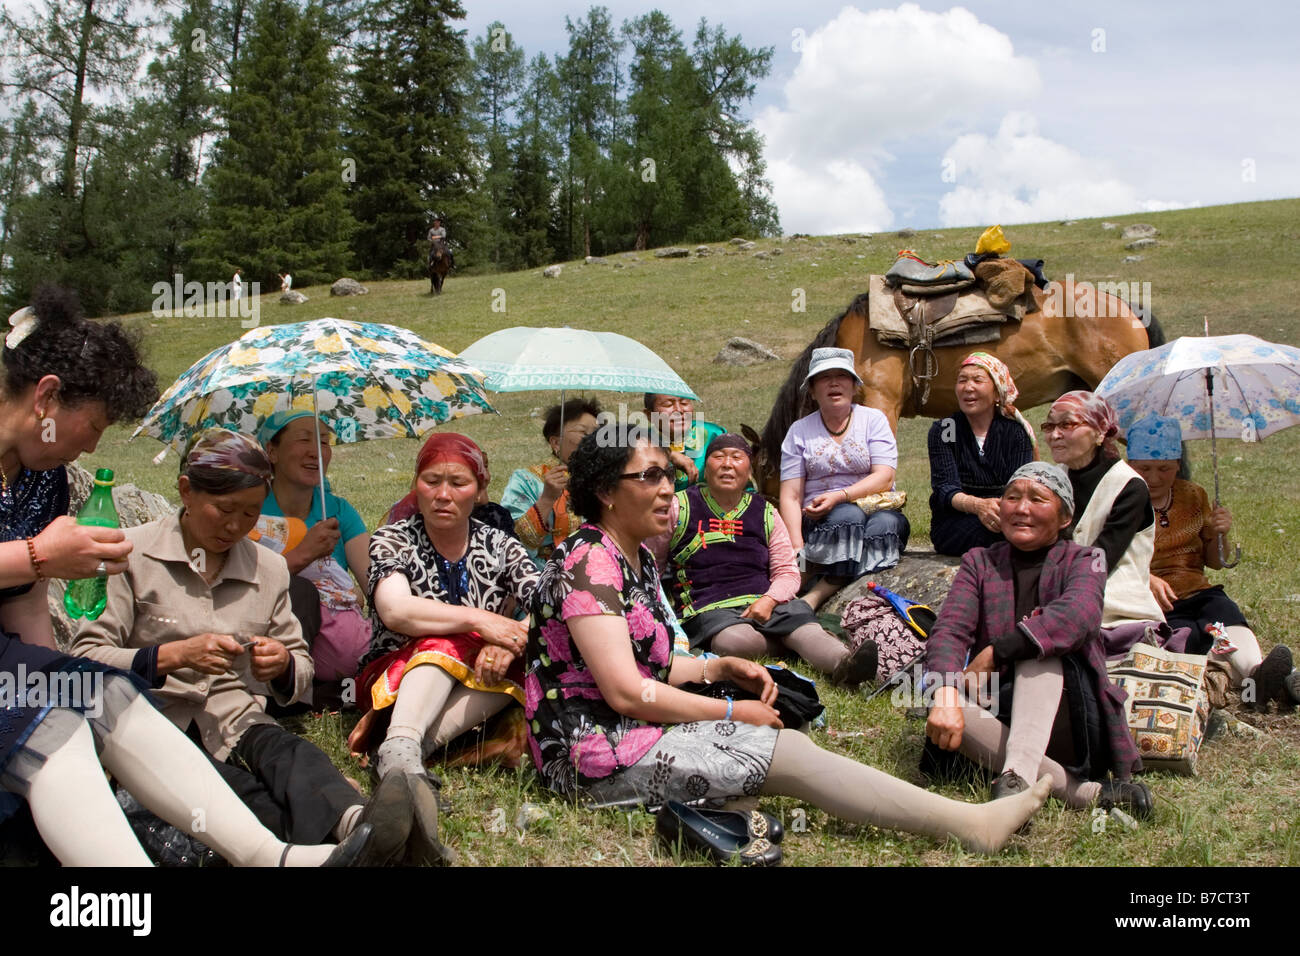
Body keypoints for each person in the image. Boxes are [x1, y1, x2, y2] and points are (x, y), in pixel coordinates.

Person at [524, 423, 1051, 855]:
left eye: (668, 473)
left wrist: (720, 670)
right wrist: (729, 713)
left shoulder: (629, 554)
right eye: (650, 476)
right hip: (593, 753)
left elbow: (654, 668)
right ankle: (970, 826)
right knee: (785, 753)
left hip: (632, 727)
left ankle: (721, 807)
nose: (668, 487)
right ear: (605, 492)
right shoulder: (590, 563)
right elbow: (623, 691)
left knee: (784, 741)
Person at [0, 288, 368, 866]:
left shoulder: (39, 480)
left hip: (225, 715)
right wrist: (38, 558)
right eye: (93, 425)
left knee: (94, 700)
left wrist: (54, 677)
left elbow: (26, 615)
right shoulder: (137, 550)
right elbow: (41, 578)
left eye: (251, 514)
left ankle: (302, 845)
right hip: (165, 712)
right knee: (74, 730)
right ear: (47, 396)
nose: (95, 445)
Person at [72, 429, 426, 866]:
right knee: (239, 795)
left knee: (293, 757)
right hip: (155, 726)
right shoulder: (132, 555)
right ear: (186, 490)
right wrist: (172, 656)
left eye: (251, 514)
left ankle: (361, 826)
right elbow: (85, 658)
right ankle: (348, 850)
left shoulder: (269, 568)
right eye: (224, 510)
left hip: (237, 720)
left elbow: (300, 668)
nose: (236, 526)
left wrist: (280, 665)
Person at [924, 462, 1153, 818]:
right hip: (999, 704)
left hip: (1072, 716)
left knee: (1039, 649)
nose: (1022, 508)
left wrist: (996, 652)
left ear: (1065, 518)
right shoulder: (979, 562)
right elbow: (950, 630)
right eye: (1012, 497)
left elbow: (1076, 617)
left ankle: (1016, 776)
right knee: (943, 692)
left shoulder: (1086, 559)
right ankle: (1079, 793)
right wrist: (946, 696)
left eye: (1037, 499)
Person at [355, 433, 538, 802]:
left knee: (524, 660)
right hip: (392, 680)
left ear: (480, 490)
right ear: (415, 485)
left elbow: (548, 606)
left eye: (458, 483)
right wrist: (479, 622)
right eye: (432, 481)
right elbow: (396, 611)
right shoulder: (393, 539)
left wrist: (513, 640)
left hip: (475, 683)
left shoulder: (500, 544)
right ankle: (401, 739)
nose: (443, 494)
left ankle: (409, 753)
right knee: (447, 642)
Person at [652, 433, 877, 686]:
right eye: (718, 457)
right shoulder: (679, 506)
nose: (727, 464)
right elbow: (653, 563)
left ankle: (845, 664)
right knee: (734, 641)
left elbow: (788, 571)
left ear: (748, 469)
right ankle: (794, 645)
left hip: (767, 603)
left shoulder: (765, 511)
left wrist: (769, 600)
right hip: (709, 608)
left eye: (736, 457)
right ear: (706, 467)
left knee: (803, 625)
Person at [1127, 413, 1298, 711]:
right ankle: (1267, 683)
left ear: (1178, 465)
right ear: (1129, 466)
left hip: (1198, 592)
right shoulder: (1122, 501)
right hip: (1154, 601)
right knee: (1191, 636)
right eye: (1144, 468)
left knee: (1222, 617)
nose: (1154, 478)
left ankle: (1257, 673)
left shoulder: (1193, 496)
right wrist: (1146, 578)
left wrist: (1220, 534)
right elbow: (1111, 557)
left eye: (1164, 469)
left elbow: (1216, 563)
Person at [779, 347, 910, 612]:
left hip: (875, 510)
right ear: (813, 390)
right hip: (820, 519)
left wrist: (840, 496)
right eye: (824, 377)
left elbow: (885, 476)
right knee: (848, 517)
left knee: (885, 523)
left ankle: (812, 596)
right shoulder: (799, 431)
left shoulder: (873, 420)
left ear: (854, 386)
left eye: (842, 376)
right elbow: (791, 495)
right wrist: (796, 545)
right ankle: (802, 578)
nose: (834, 382)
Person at [251, 410, 370, 684]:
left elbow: (373, 581)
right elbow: (246, 587)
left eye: (324, 442)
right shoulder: (252, 510)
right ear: (272, 451)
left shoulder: (338, 511)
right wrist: (304, 554)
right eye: (304, 440)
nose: (316, 452)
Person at [1044, 391, 1165, 642]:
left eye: (1067, 424)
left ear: (1100, 432)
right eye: (1050, 426)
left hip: (1117, 611)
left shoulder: (1129, 486)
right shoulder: (1054, 479)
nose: (1054, 435)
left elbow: (1099, 561)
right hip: (1060, 600)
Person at [927, 352, 1035, 556]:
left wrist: (1000, 510)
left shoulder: (1015, 433)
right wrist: (978, 506)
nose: (968, 387)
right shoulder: (945, 430)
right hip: (956, 521)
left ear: (997, 393)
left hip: (1007, 515)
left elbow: (1021, 485)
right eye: (962, 381)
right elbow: (944, 488)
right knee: (1000, 537)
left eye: (978, 380)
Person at [500, 399, 600, 568]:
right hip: (539, 577)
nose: (593, 440)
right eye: (583, 433)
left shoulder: (606, 481)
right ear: (555, 442)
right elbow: (512, 544)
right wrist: (547, 499)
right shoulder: (527, 481)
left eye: (597, 434)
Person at [643, 392, 726, 490]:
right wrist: (667, 453)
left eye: (684, 403)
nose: (679, 410)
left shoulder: (712, 435)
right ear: (649, 415)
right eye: (668, 405)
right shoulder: (641, 442)